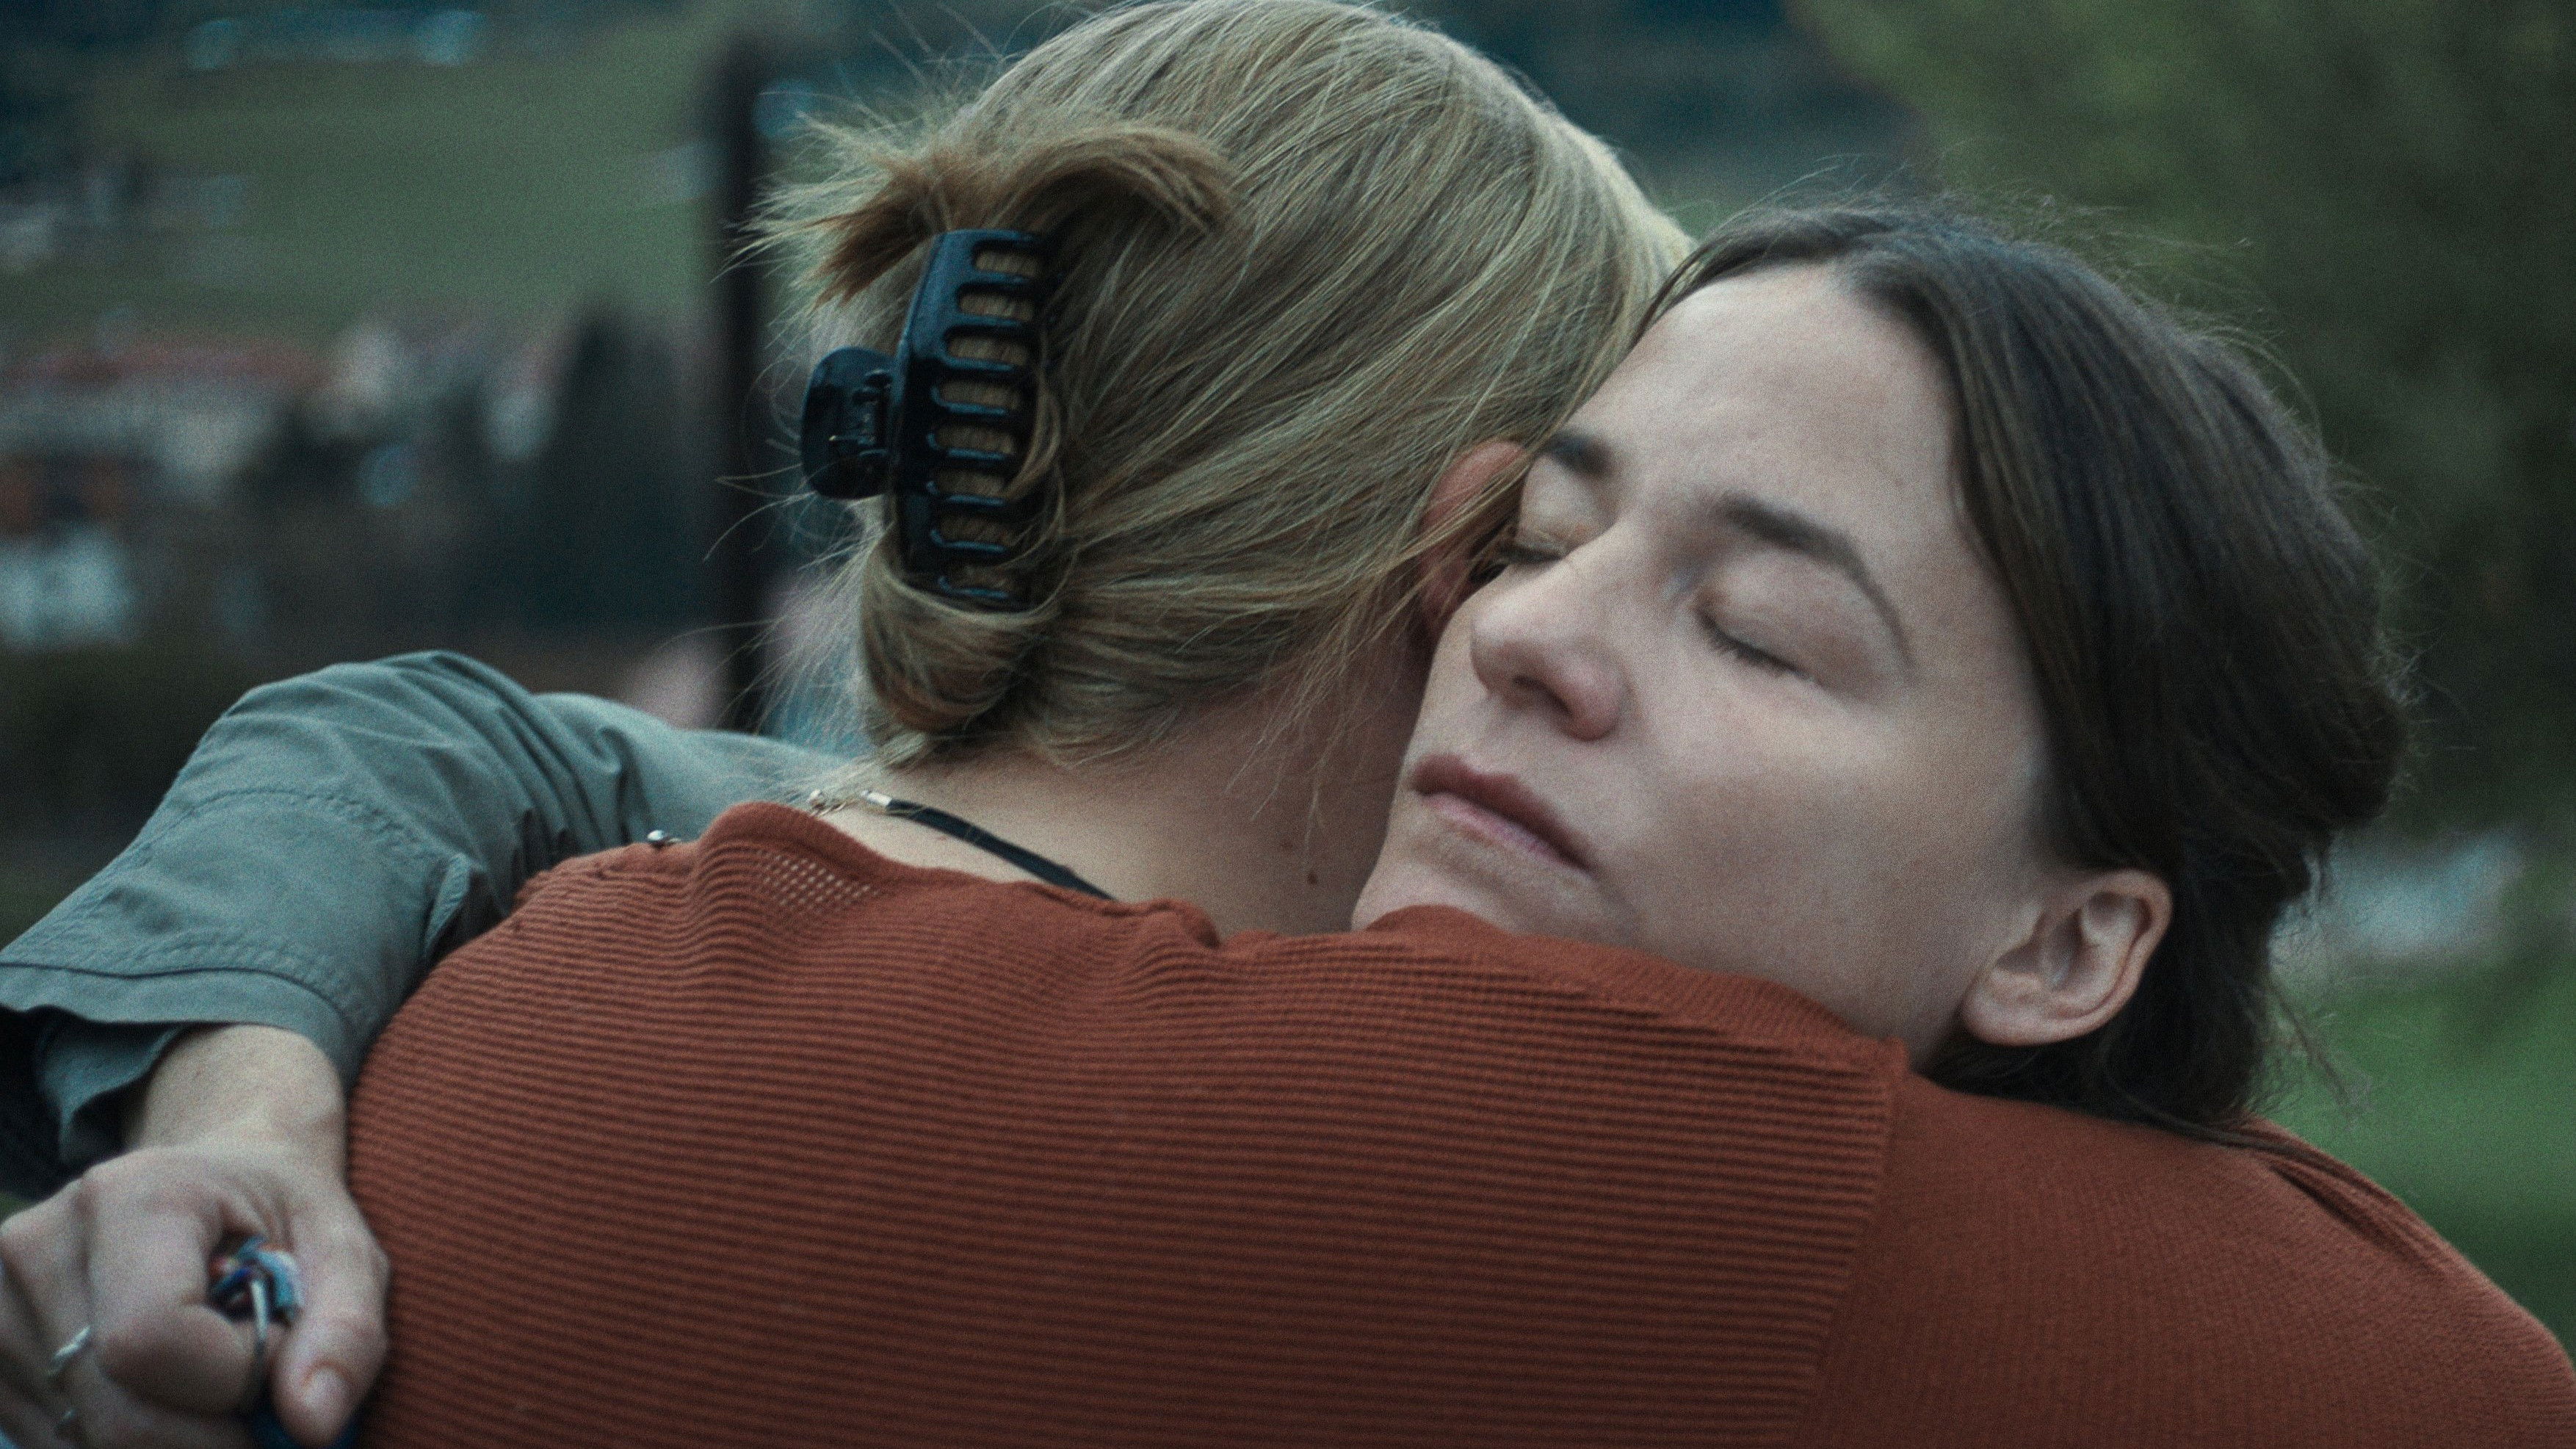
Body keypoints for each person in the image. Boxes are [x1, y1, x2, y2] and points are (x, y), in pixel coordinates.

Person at [3, 12, 2570, 1448]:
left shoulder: (547, 990)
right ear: (1416, 548)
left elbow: (506, 754)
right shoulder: (1679, 1208)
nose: (1533, 638)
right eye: (1539, 533)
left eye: (1760, 628)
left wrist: (237, 1072)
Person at [0, 1, 1689, 1445]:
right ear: (1462, 573)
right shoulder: (1487, 1215)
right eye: (1572, 547)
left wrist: (238, 1113)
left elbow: (430, 746)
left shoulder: (575, 984)